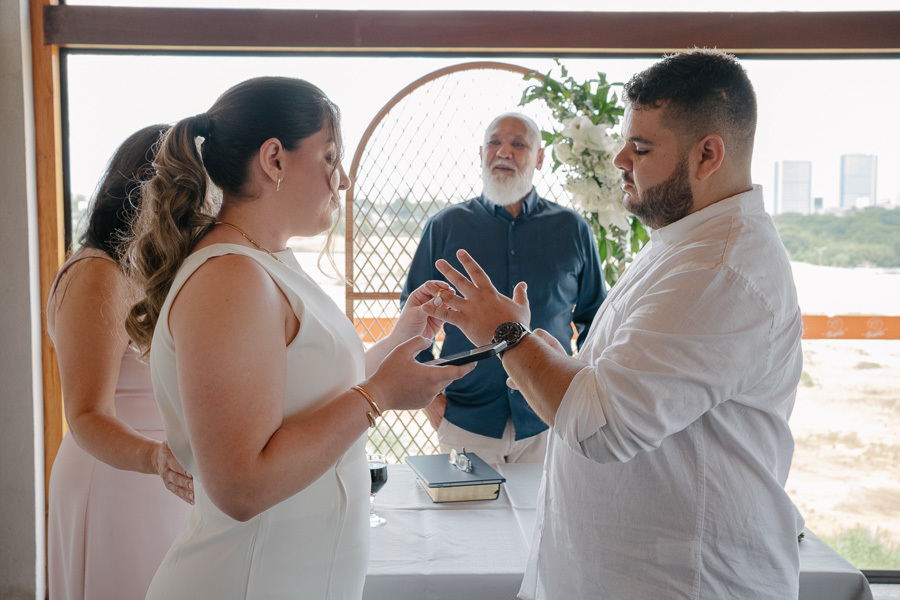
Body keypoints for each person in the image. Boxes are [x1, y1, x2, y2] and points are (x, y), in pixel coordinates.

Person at [422, 49, 806, 598]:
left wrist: (508, 339)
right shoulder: (684, 241)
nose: (620, 157)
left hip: (678, 580)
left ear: (708, 155)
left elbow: (601, 424)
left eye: (641, 147)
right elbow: (621, 379)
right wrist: (537, 347)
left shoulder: (718, 270)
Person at [123, 76, 472, 599]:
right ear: (274, 160)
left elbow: (311, 395)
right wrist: (379, 397)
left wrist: (403, 339)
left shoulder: (266, 262)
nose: (343, 179)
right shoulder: (231, 278)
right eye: (330, 157)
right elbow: (241, 485)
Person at [400, 112, 606, 464]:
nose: (504, 152)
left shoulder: (573, 229)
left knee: (544, 520)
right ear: (481, 153)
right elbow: (413, 313)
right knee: (467, 521)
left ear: (539, 158)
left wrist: (581, 387)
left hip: (550, 420)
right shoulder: (445, 226)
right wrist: (430, 396)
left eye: (518, 144)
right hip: (466, 418)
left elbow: (596, 318)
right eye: (495, 142)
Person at [46, 124, 194, 600]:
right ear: (142, 192)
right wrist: (154, 459)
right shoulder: (99, 273)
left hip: (162, 477)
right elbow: (87, 413)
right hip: (115, 475)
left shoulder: (154, 272)